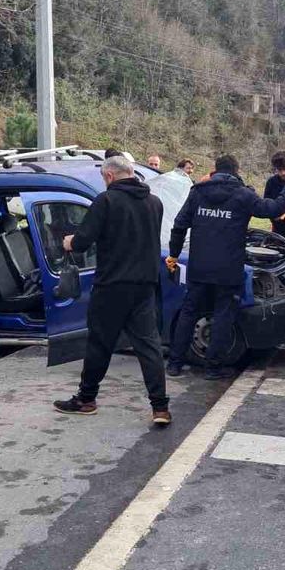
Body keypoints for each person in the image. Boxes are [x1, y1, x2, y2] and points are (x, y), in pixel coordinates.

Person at [52, 156, 171, 424]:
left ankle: (86, 399)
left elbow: (83, 242)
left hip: (112, 286)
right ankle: (160, 408)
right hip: (145, 285)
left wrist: (70, 242)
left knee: (100, 344)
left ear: (109, 177)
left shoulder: (106, 201)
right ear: (130, 173)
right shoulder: (155, 203)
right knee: (148, 345)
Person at [166, 154, 285, 380]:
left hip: (199, 266)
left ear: (214, 170)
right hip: (228, 268)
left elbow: (179, 225)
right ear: (236, 170)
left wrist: (173, 254)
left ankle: (174, 363)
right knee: (223, 316)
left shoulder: (198, 193)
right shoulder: (243, 195)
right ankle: (212, 368)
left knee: (189, 312)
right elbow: (272, 208)